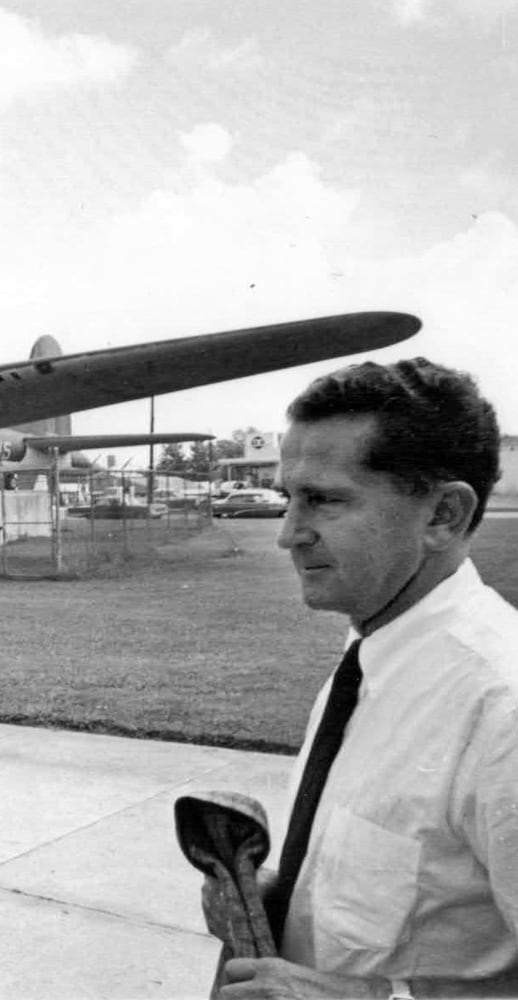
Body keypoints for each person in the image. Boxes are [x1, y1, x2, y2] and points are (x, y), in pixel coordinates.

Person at [216, 358, 518, 998]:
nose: (288, 536)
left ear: (443, 515)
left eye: (323, 499)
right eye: (287, 498)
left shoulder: (501, 709)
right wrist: (283, 903)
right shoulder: (374, 654)